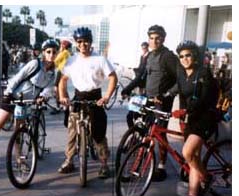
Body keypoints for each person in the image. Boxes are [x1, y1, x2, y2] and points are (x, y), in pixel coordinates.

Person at [0, 39, 59, 174]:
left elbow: (49, 88)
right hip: (12, 97)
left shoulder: (52, 72)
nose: (51, 54)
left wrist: (43, 97)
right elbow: (18, 77)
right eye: (48, 52)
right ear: (43, 53)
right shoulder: (35, 64)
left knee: (19, 133)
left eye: (54, 52)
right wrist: (8, 93)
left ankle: (20, 161)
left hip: (25, 103)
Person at [58, 27, 118, 179]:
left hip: (95, 98)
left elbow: (113, 77)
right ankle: (69, 160)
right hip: (78, 98)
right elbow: (63, 80)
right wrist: (63, 96)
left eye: (86, 41)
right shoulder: (71, 60)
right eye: (80, 42)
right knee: (72, 131)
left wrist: (106, 97)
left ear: (90, 42)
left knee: (99, 133)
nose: (83, 44)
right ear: (76, 43)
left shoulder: (100, 59)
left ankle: (104, 164)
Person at [122, 25, 178, 182]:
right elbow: (141, 77)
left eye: (158, 38)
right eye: (152, 38)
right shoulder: (149, 56)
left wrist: (166, 95)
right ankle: (138, 157)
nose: (154, 41)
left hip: (162, 102)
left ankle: (161, 166)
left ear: (163, 39)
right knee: (134, 119)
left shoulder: (168, 57)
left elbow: (179, 80)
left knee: (160, 133)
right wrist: (127, 88)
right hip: (148, 98)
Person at [174, 40, 217, 196]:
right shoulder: (182, 76)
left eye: (188, 55)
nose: (184, 58)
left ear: (195, 56)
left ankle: (206, 176)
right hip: (191, 119)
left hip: (205, 118)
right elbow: (183, 99)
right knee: (194, 156)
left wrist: (186, 110)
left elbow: (205, 99)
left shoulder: (204, 73)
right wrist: (182, 117)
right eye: (181, 56)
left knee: (187, 153)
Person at [51, 39, 72, 115]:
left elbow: (55, 61)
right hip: (63, 72)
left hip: (60, 71)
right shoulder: (67, 53)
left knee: (57, 89)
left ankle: (59, 106)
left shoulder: (64, 53)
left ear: (63, 46)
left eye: (61, 45)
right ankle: (67, 105)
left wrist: (59, 51)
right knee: (63, 89)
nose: (60, 46)